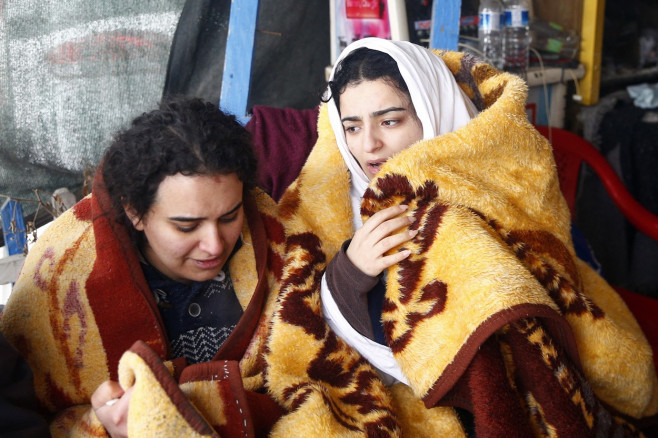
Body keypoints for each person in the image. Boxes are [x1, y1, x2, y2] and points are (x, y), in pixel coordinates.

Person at [264, 38, 658, 436]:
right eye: (352, 126)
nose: (369, 145)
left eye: (390, 121)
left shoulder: (495, 179)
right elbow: (294, 321)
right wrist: (349, 273)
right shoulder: (326, 200)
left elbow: (530, 304)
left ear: (432, 109)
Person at [0, 97, 287, 437]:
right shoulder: (61, 277)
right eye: (186, 226)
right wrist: (101, 426)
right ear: (134, 211)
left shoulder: (276, 237)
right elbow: (32, 417)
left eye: (229, 217)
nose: (214, 244)